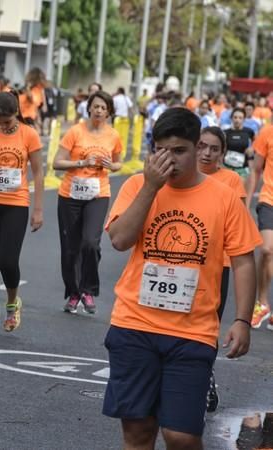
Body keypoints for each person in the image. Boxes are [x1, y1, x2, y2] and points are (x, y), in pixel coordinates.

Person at [103, 107, 259, 449]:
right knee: (138, 431)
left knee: (182, 435)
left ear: (196, 147)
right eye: (161, 150)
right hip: (134, 325)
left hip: (193, 331)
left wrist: (242, 320)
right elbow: (119, 239)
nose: (169, 159)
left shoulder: (224, 197)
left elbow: (244, 261)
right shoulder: (136, 186)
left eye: (179, 151)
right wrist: (150, 187)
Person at [0, 92, 44, 336]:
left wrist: (38, 210)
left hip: (16, 203)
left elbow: (38, 173)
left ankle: (13, 302)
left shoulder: (29, 134)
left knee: (8, 261)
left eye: (8, 121)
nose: (3, 125)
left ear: (16, 114)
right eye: (0, 121)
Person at [53, 90, 123, 314]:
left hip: (97, 194)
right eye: (96, 106)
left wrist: (111, 166)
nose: (99, 111)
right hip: (70, 195)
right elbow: (57, 162)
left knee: (90, 243)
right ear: (89, 108)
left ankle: (88, 290)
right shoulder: (75, 132)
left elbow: (118, 163)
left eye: (104, 108)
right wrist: (82, 161)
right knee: (71, 248)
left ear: (109, 112)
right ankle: (74, 293)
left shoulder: (113, 136)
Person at [197, 126, 247, 412]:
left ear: (223, 153)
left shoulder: (230, 181)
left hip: (219, 264)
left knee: (207, 325)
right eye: (202, 146)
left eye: (214, 149)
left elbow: (238, 229)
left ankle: (205, 377)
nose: (206, 153)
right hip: (182, 261)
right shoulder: (184, 175)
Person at [247, 122, 273, 329]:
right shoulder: (267, 132)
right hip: (269, 199)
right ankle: (262, 302)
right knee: (266, 249)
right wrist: (245, 204)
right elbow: (256, 170)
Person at [224, 107, 256, 182]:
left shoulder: (249, 132)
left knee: (240, 191)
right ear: (231, 118)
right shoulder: (225, 132)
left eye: (240, 118)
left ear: (244, 119)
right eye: (235, 117)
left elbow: (258, 143)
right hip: (227, 167)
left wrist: (252, 148)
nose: (237, 120)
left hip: (242, 168)